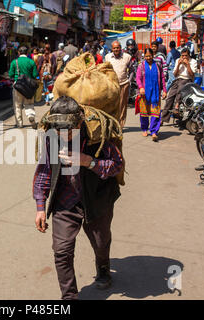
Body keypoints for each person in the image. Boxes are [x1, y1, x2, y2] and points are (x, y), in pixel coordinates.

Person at [33, 96, 124, 300]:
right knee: (61, 252)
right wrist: (40, 206)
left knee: (101, 243)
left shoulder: (97, 137)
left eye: (69, 130)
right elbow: (43, 171)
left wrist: (89, 162)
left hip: (97, 199)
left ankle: (103, 267)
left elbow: (117, 164)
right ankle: (69, 296)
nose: (64, 135)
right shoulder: (51, 138)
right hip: (65, 202)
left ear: (80, 122)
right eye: (59, 130)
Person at [136, 48, 167, 141]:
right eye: (146, 56)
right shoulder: (141, 65)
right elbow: (138, 77)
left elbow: (162, 78)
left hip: (156, 93)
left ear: (153, 55)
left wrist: (164, 90)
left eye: (150, 56)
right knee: (144, 113)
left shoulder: (157, 65)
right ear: (144, 56)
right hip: (144, 93)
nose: (148, 58)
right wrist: (141, 87)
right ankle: (145, 129)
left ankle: (154, 131)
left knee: (156, 113)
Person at [162, 48, 198, 124]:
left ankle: (177, 105)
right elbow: (175, 74)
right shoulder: (178, 60)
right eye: (182, 56)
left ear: (189, 55)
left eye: (186, 56)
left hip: (187, 80)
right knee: (170, 97)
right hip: (178, 80)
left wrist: (187, 64)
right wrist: (178, 64)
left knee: (181, 88)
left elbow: (192, 75)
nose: (184, 57)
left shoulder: (193, 61)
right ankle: (163, 118)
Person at [8, 46, 39, 129]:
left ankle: (19, 124)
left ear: (19, 52)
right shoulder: (31, 62)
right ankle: (30, 116)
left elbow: (10, 74)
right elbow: (35, 75)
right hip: (29, 86)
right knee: (29, 104)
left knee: (17, 105)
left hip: (17, 86)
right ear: (27, 53)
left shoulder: (14, 62)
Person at [105, 41, 133, 128]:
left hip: (123, 84)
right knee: (112, 105)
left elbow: (132, 69)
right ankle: (112, 124)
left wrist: (129, 81)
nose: (116, 49)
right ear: (112, 49)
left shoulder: (127, 57)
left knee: (122, 106)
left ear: (120, 48)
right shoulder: (107, 57)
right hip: (111, 85)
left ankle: (120, 126)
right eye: (114, 48)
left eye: (117, 48)